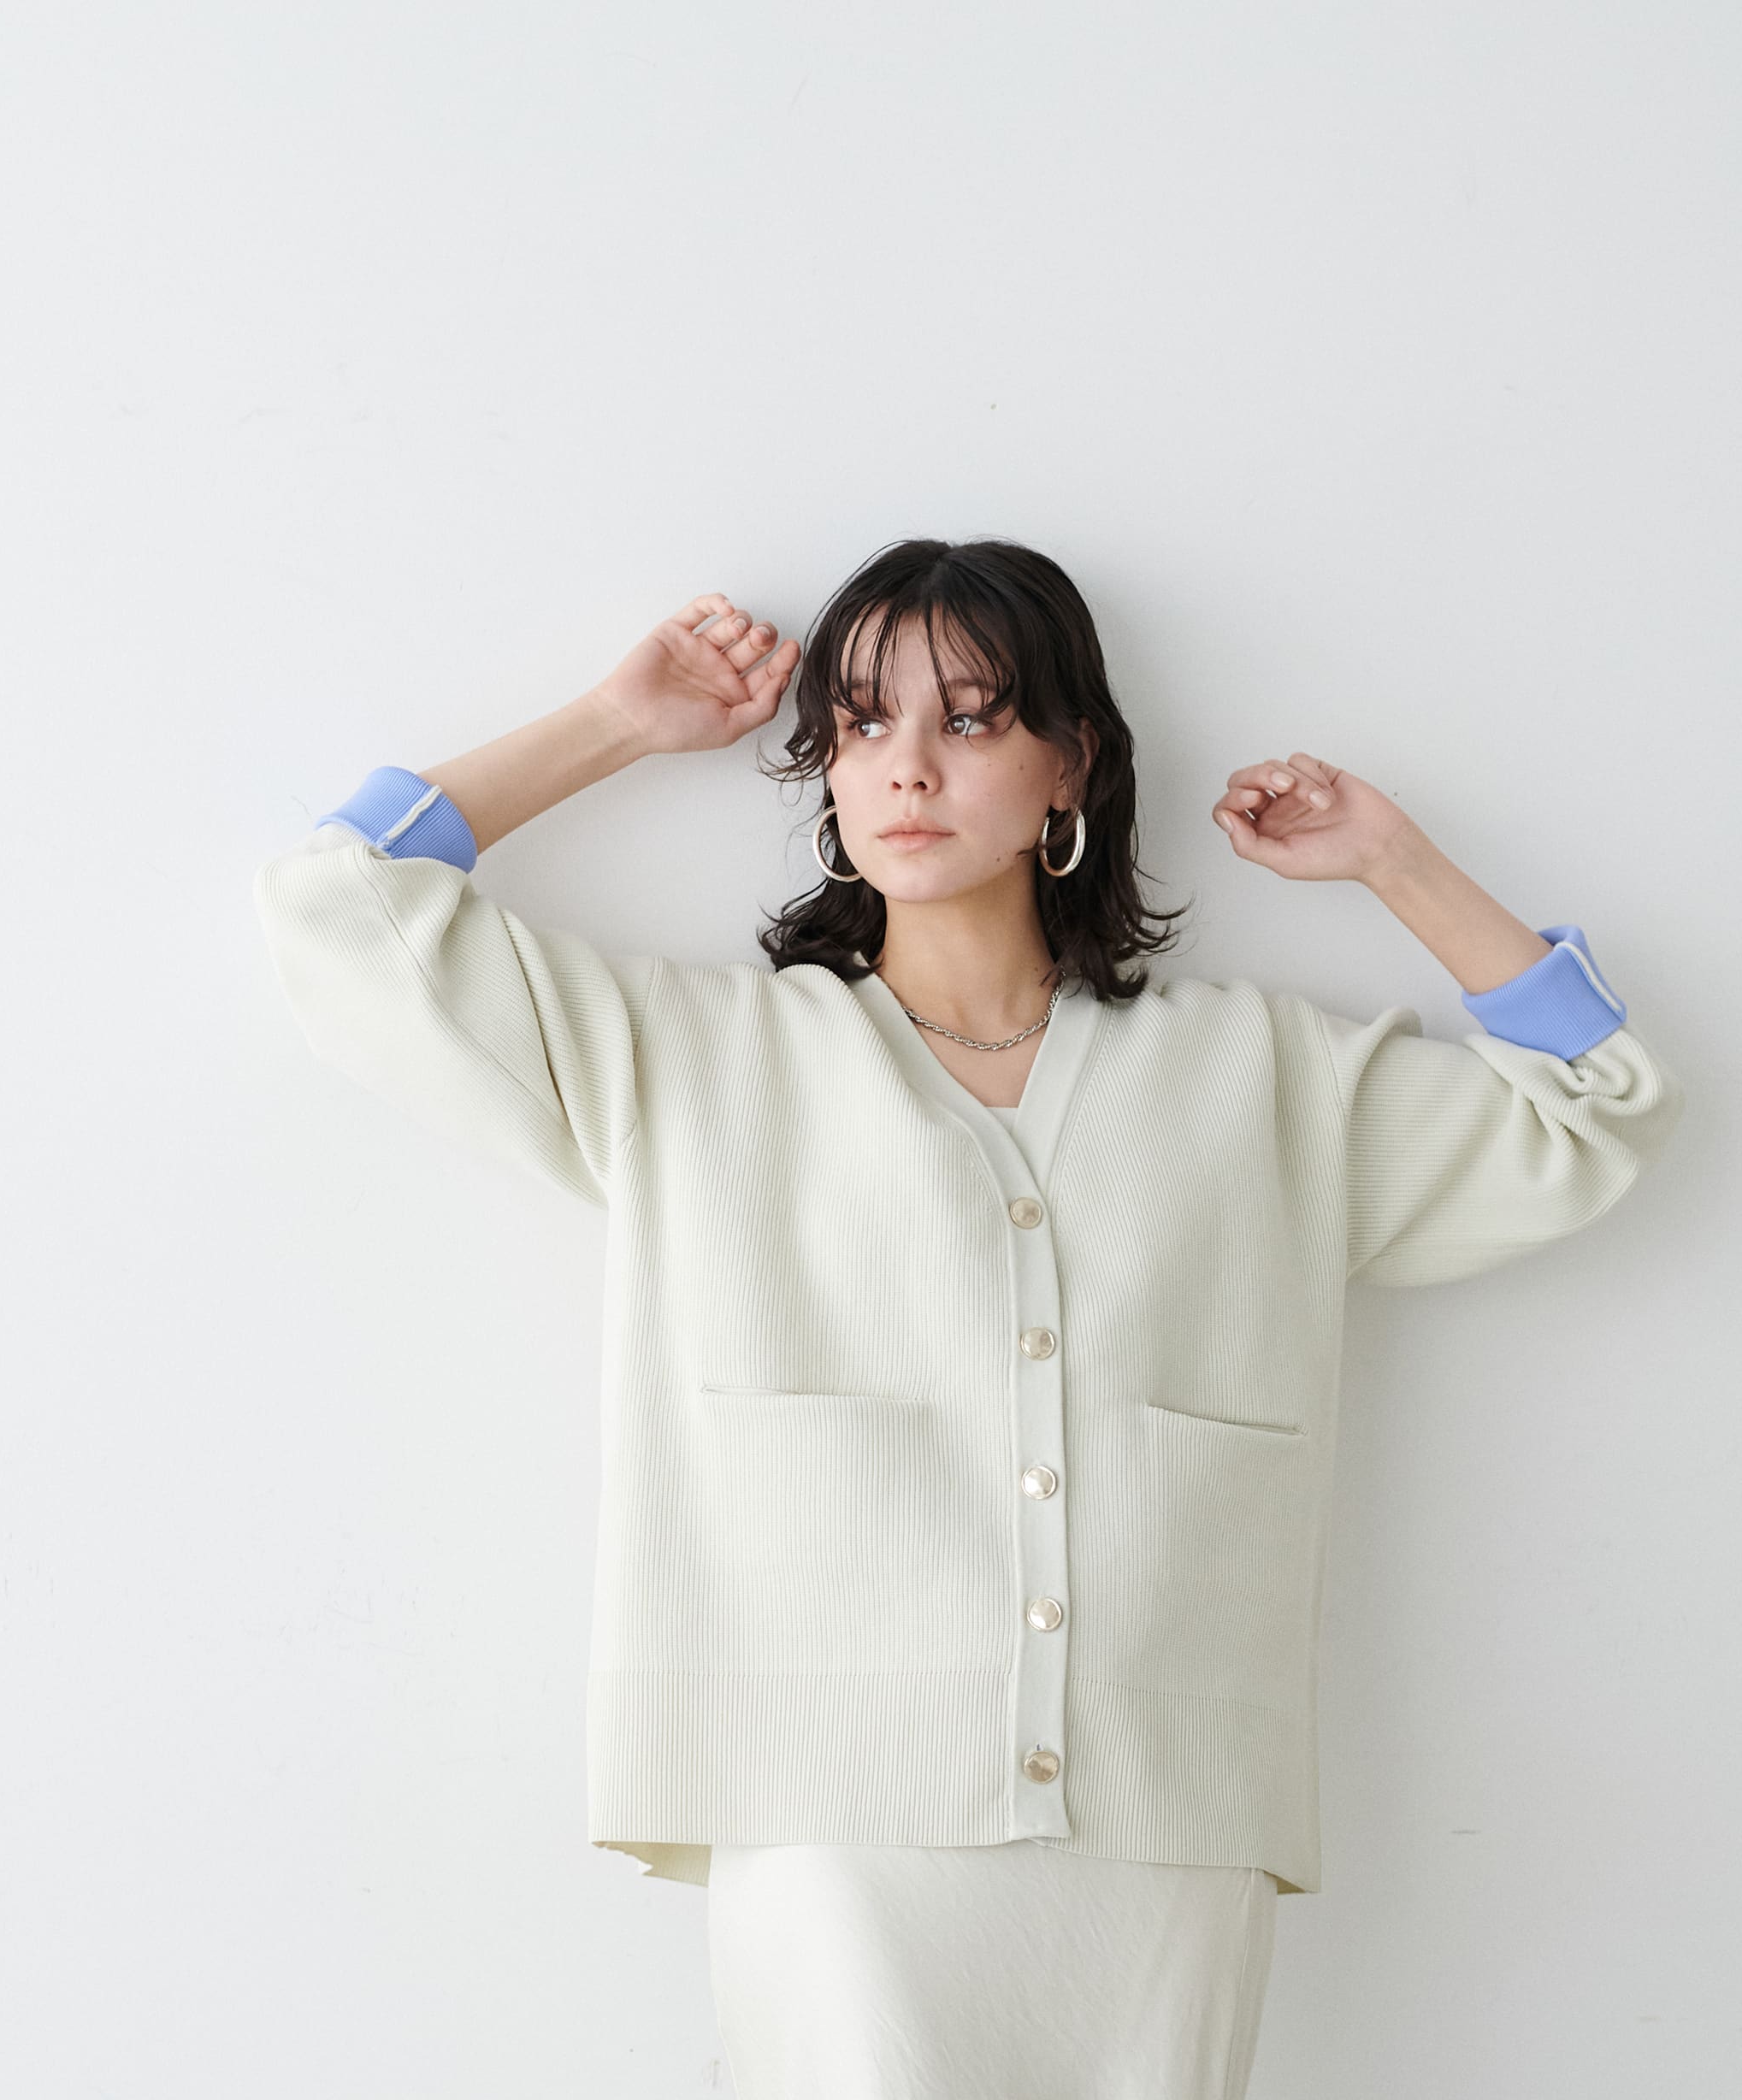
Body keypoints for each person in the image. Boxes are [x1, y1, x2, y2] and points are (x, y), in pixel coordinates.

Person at [253, 538, 1684, 2099]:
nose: (909, 767)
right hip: (824, 1810)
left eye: (974, 718)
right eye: (863, 723)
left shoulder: (1258, 1079)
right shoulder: (692, 1057)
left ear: (1072, 767)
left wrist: (1395, 862)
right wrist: (617, 724)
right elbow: (338, 903)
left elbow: (1598, 1106)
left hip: (1162, 1813)